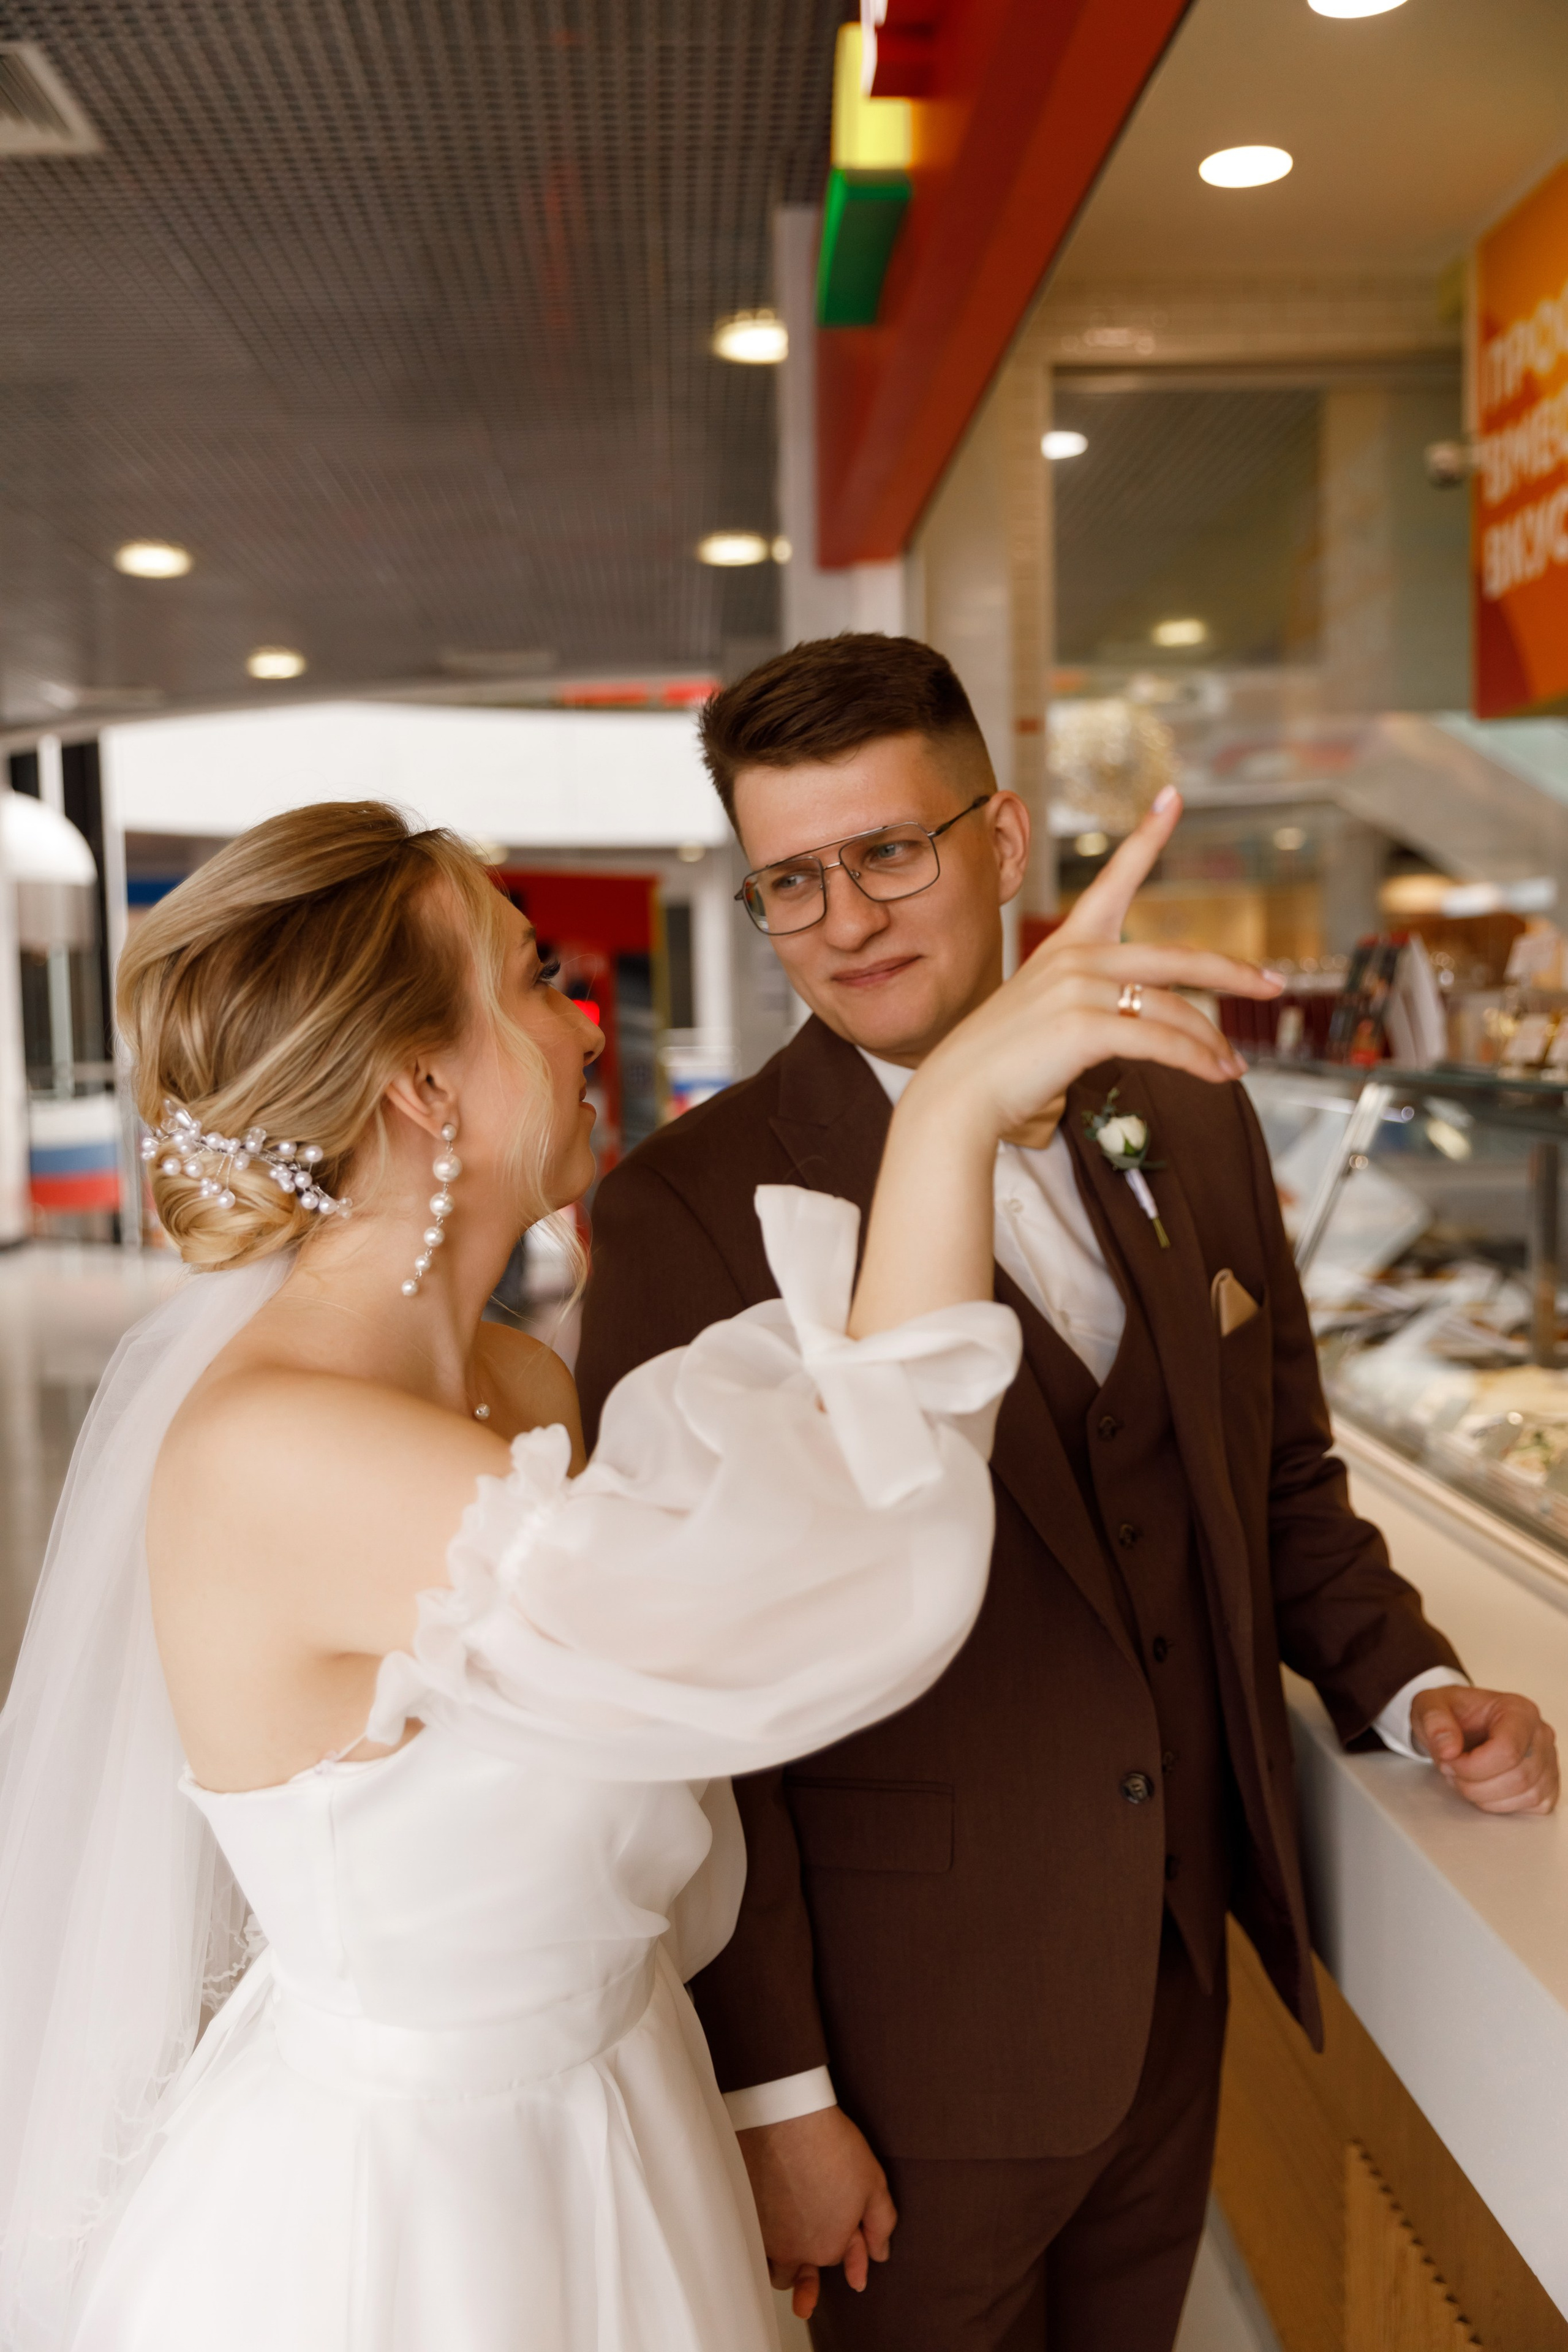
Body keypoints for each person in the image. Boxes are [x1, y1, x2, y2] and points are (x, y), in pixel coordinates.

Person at [0, 799, 1279, 2352]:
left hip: (623, 2099)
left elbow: (736, 1618)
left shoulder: (519, 1386)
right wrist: (948, 1113)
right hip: (428, 2210)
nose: (585, 1025)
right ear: (421, 1085)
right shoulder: (284, 1453)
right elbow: (836, 1588)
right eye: (534, 980)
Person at [574, 633, 1560, 2352]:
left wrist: (1409, 1684)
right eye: (791, 881)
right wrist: (773, 2092)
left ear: (1005, 839)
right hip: (899, 2044)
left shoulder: (1182, 1106)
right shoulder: (687, 1207)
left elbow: (1277, 1472)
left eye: (888, 851)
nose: (846, 920)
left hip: (1175, 1984)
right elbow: (686, 1711)